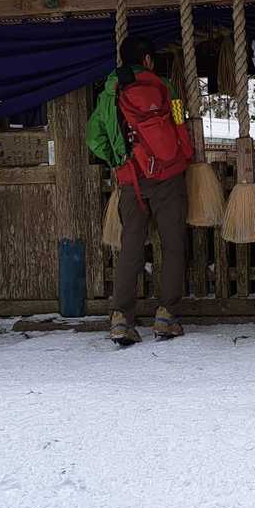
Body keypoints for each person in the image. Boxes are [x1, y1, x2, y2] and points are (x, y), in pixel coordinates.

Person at [87, 36, 192, 346]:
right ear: (147, 60)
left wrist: (118, 160)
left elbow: (94, 137)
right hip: (168, 176)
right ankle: (166, 316)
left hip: (130, 180)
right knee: (173, 245)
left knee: (130, 248)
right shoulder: (165, 87)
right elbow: (179, 120)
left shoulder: (109, 93)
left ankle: (121, 318)